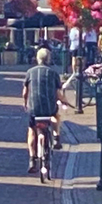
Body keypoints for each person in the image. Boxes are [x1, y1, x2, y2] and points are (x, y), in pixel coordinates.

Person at [22, 46, 69, 174]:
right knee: (56, 115)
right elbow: (58, 93)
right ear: (49, 59)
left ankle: (32, 159)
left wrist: (25, 103)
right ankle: (57, 136)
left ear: (37, 59)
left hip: (34, 109)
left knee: (32, 130)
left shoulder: (30, 72)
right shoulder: (53, 73)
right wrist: (65, 101)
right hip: (49, 107)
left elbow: (25, 92)